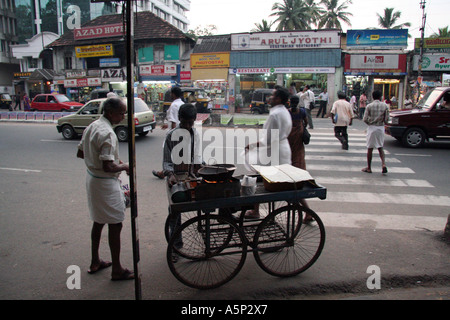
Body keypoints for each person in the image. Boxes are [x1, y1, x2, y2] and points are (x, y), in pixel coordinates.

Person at [76, 97, 134, 281]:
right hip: (105, 183)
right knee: (115, 223)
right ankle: (117, 269)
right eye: (121, 113)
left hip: (92, 179)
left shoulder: (92, 126)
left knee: (98, 220)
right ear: (110, 113)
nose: (124, 116)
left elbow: (80, 153)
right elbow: (109, 167)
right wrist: (124, 167)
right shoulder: (108, 133)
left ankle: (95, 261)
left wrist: (95, 160)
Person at [163, 103, 203, 261]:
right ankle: (175, 246)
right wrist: (170, 174)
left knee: (206, 201)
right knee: (175, 211)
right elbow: (166, 162)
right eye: (185, 122)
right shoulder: (170, 136)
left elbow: (197, 157)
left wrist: (202, 166)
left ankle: (205, 234)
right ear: (179, 119)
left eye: (190, 123)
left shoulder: (195, 134)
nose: (187, 126)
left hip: (192, 176)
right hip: (176, 177)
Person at [245, 87, 293, 218]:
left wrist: (252, 145)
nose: (269, 98)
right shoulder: (284, 112)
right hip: (283, 150)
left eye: (272, 96)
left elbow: (267, 140)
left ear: (278, 99)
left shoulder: (274, 115)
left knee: (257, 178)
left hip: (274, 153)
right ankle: (306, 211)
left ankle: (255, 211)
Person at [287, 95, 313, 223]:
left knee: (294, 185)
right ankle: (307, 213)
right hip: (297, 148)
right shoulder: (302, 112)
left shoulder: (287, 113)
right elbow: (306, 122)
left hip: (290, 148)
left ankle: (307, 213)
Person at [152, 86, 184, 179]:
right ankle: (163, 172)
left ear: (173, 94)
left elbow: (174, 122)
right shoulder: (181, 104)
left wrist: (173, 138)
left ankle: (165, 173)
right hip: (181, 133)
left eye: (171, 93)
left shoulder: (174, 105)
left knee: (169, 156)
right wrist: (167, 125)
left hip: (175, 134)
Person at [362, 90, 390, 174]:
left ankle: (369, 168)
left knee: (370, 148)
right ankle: (383, 164)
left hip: (372, 127)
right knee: (380, 147)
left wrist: (370, 123)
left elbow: (365, 119)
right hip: (380, 127)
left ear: (373, 97)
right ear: (381, 97)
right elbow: (386, 119)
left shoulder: (369, 106)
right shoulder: (385, 106)